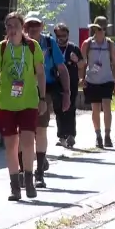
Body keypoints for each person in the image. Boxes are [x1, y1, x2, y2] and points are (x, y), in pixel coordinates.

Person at [0, 12, 45, 200]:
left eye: (15, 26)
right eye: (9, 26)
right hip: (6, 102)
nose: (12, 30)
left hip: (28, 101)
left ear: (23, 28)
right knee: (11, 145)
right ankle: (15, 185)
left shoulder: (32, 46)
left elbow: (41, 73)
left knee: (28, 141)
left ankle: (29, 179)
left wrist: (42, 98)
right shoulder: (1, 48)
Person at [22, 12, 69, 188]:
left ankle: (39, 172)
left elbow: (62, 69)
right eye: (29, 25)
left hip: (44, 91)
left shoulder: (49, 43)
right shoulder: (18, 44)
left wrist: (67, 93)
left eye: (36, 25)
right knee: (25, 132)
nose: (32, 29)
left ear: (42, 26)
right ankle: (25, 169)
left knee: (40, 130)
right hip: (22, 91)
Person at [81, 18, 115, 148]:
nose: (102, 31)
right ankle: (98, 135)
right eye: (99, 28)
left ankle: (107, 135)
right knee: (95, 109)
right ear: (94, 29)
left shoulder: (110, 44)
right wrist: (81, 78)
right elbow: (82, 63)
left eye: (104, 28)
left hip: (107, 79)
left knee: (107, 107)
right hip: (92, 80)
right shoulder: (87, 44)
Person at [52, 23, 82, 148]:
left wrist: (76, 60)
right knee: (58, 108)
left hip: (72, 82)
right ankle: (61, 135)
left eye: (63, 35)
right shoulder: (53, 48)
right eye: (58, 35)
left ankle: (71, 135)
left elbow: (82, 64)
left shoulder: (73, 48)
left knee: (70, 107)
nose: (61, 38)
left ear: (68, 35)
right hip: (56, 81)